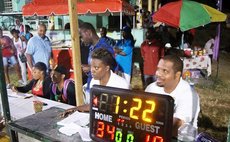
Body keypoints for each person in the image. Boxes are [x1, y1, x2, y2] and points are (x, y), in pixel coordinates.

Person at [61, 48, 129, 115]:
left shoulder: (121, 84)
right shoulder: (94, 81)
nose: (92, 70)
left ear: (107, 68)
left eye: (96, 68)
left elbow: (123, 113)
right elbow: (94, 105)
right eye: (91, 67)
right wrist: (75, 109)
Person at [145, 55, 200, 137]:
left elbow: (176, 127)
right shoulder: (152, 88)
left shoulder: (188, 94)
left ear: (177, 75)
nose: (157, 74)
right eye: (158, 69)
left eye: (165, 71)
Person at [79, 22, 114, 96]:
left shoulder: (104, 47)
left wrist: (90, 68)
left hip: (100, 91)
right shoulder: (91, 47)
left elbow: (111, 67)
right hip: (91, 86)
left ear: (88, 33)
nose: (82, 39)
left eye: (81, 36)